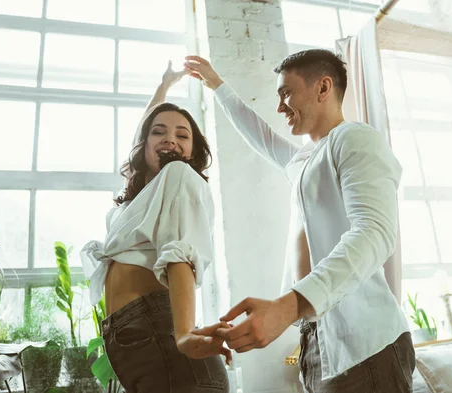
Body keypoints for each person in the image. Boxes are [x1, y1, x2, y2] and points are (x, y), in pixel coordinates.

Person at [185, 50, 415, 392]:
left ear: (323, 88)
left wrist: (288, 305)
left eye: (286, 93)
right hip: (315, 339)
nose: (280, 107)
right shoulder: (304, 159)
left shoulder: (354, 138)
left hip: (367, 344)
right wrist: (217, 85)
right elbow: (260, 135)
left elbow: (375, 232)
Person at [80, 61, 230, 393]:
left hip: (163, 336)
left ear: (194, 151)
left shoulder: (178, 177)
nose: (169, 140)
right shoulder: (136, 200)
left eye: (182, 135)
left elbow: (180, 254)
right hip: (136, 339)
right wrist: (163, 87)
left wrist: (186, 332)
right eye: (159, 132)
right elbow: (142, 130)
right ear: (145, 143)